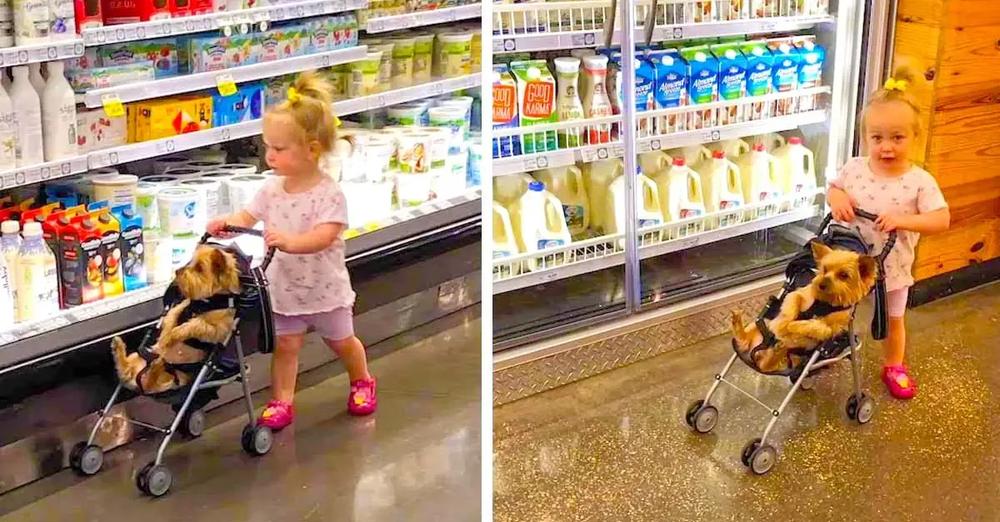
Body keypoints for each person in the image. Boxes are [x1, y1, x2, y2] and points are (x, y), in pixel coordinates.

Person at [208, 71, 376, 429]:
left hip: (325, 289)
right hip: (284, 289)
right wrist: (226, 222)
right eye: (267, 146)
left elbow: (325, 236)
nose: (269, 155)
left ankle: (362, 379)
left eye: (279, 148)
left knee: (341, 340)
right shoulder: (271, 189)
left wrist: (289, 242)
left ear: (312, 149)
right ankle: (282, 400)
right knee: (286, 347)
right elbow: (247, 215)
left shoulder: (329, 194)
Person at [826, 68, 950, 399]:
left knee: (894, 319)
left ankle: (894, 364)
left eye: (897, 138)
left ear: (915, 136)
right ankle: (827, 345)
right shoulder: (854, 167)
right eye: (877, 138)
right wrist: (837, 198)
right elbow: (834, 189)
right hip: (847, 265)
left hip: (890, 269)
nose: (886, 147)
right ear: (866, 137)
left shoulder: (919, 181)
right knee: (832, 308)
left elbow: (941, 220)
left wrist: (903, 220)